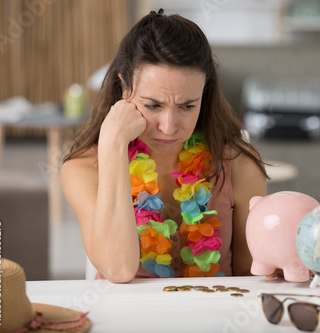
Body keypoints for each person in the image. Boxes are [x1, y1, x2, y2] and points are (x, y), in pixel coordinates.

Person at [60, 9, 268, 283]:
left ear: (204, 96)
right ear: (124, 88)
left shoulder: (241, 167)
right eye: (153, 105)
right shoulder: (84, 168)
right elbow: (118, 270)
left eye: (187, 106)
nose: (169, 127)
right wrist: (112, 143)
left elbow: (253, 277)